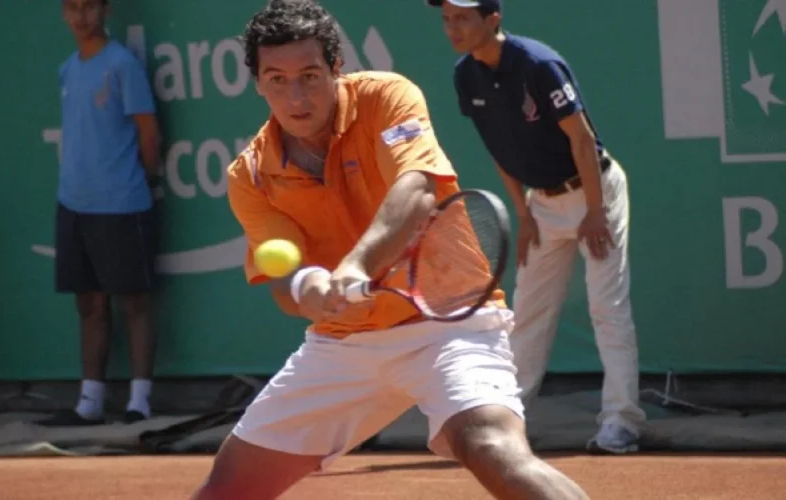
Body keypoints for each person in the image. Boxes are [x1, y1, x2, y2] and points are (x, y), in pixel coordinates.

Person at [191, 1, 589, 499]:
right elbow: (283, 279)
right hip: (345, 344)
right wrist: (309, 287)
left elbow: (418, 188)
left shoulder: (386, 97)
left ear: (337, 68)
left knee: (491, 447)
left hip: (449, 324)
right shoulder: (249, 175)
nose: (296, 96)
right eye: (277, 79)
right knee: (225, 489)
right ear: (257, 83)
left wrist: (357, 265)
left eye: (310, 76)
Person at [429, 0, 646, 454]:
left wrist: (594, 211)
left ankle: (621, 421)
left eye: (463, 18)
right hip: (541, 204)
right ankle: (505, 421)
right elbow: (498, 148)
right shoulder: (465, 75)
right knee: (528, 312)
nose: (452, 28)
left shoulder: (540, 65)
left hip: (594, 190)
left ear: (493, 18)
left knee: (606, 308)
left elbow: (581, 140)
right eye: (447, 19)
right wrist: (524, 213)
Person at [37, 0, 161, 427]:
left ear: (105, 11)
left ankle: (139, 402)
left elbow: (148, 134)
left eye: (89, 6)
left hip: (122, 202)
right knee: (88, 303)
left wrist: (137, 180)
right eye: (72, 7)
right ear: (63, 13)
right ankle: (89, 403)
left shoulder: (122, 64)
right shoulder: (67, 69)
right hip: (73, 203)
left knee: (134, 303)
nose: (81, 16)